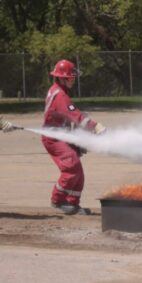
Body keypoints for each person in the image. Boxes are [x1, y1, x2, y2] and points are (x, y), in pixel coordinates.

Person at [42, 59, 106, 215]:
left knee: (78, 172)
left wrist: (77, 138)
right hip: (54, 138)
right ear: (62, 78)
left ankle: (72, 204)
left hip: (62, 136)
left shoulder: (58, 90)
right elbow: (75, 115)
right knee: (71, 168)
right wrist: (95, 126)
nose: (73, 80)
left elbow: (68, 117)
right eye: (70, 77)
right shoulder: (60, 95)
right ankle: (58, 201)